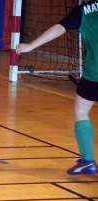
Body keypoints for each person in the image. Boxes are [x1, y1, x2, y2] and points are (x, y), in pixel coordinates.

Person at [16, 0, 98, 175]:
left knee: (81, 111)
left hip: (95, 74)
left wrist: (30, 46)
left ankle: (88, 161)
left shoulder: (83, 11)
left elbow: (59, 29)